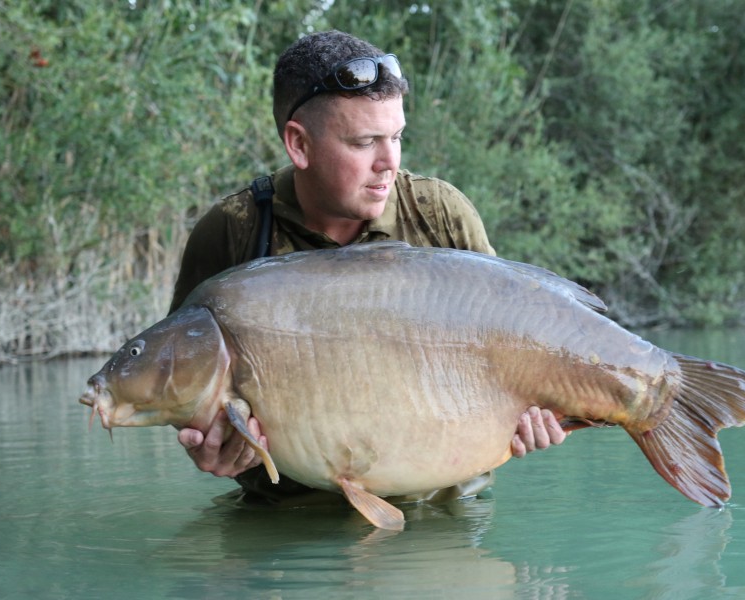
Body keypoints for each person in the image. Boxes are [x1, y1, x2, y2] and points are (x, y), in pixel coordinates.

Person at [170, 30, 566, 506]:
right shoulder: (233, 231)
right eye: (364, 142)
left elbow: (515, 349)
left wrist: (539, 414)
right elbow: (180, 380)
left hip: (442, 518)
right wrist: (208, 443)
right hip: (287, 524)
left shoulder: (440, 215)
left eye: (396, 137)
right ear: (299, 145)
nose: (389, 163)